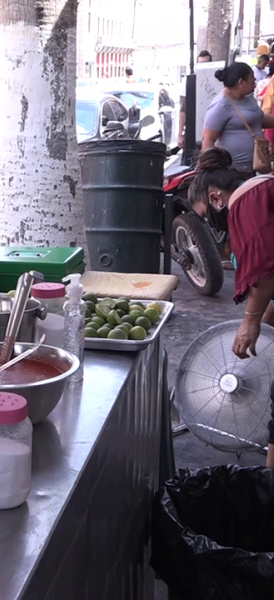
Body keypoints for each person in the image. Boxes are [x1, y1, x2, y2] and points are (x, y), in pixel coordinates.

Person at [189, 147, 274, 464]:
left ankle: (268, 496)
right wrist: (265, 324)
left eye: (206, 216)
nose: (211, 223)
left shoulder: (246, 202)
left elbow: (267, 268)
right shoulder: (261, 189)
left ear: (215, 199)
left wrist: (250, 321)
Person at [202, 62, 274, 176]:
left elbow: (257, 120)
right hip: (232, 171)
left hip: (253, 168)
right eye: (252, 79)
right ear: (241, 82)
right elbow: (208, 139)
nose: (255, 83)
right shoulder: (221, 104)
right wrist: (212, 171)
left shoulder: (248, 99)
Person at [179, 50, 213, 149]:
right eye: (200, 64)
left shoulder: (216, 81)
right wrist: (180, 135)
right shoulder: (189, 81)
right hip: (193, 127)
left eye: (206, 64)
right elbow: (183, 108)